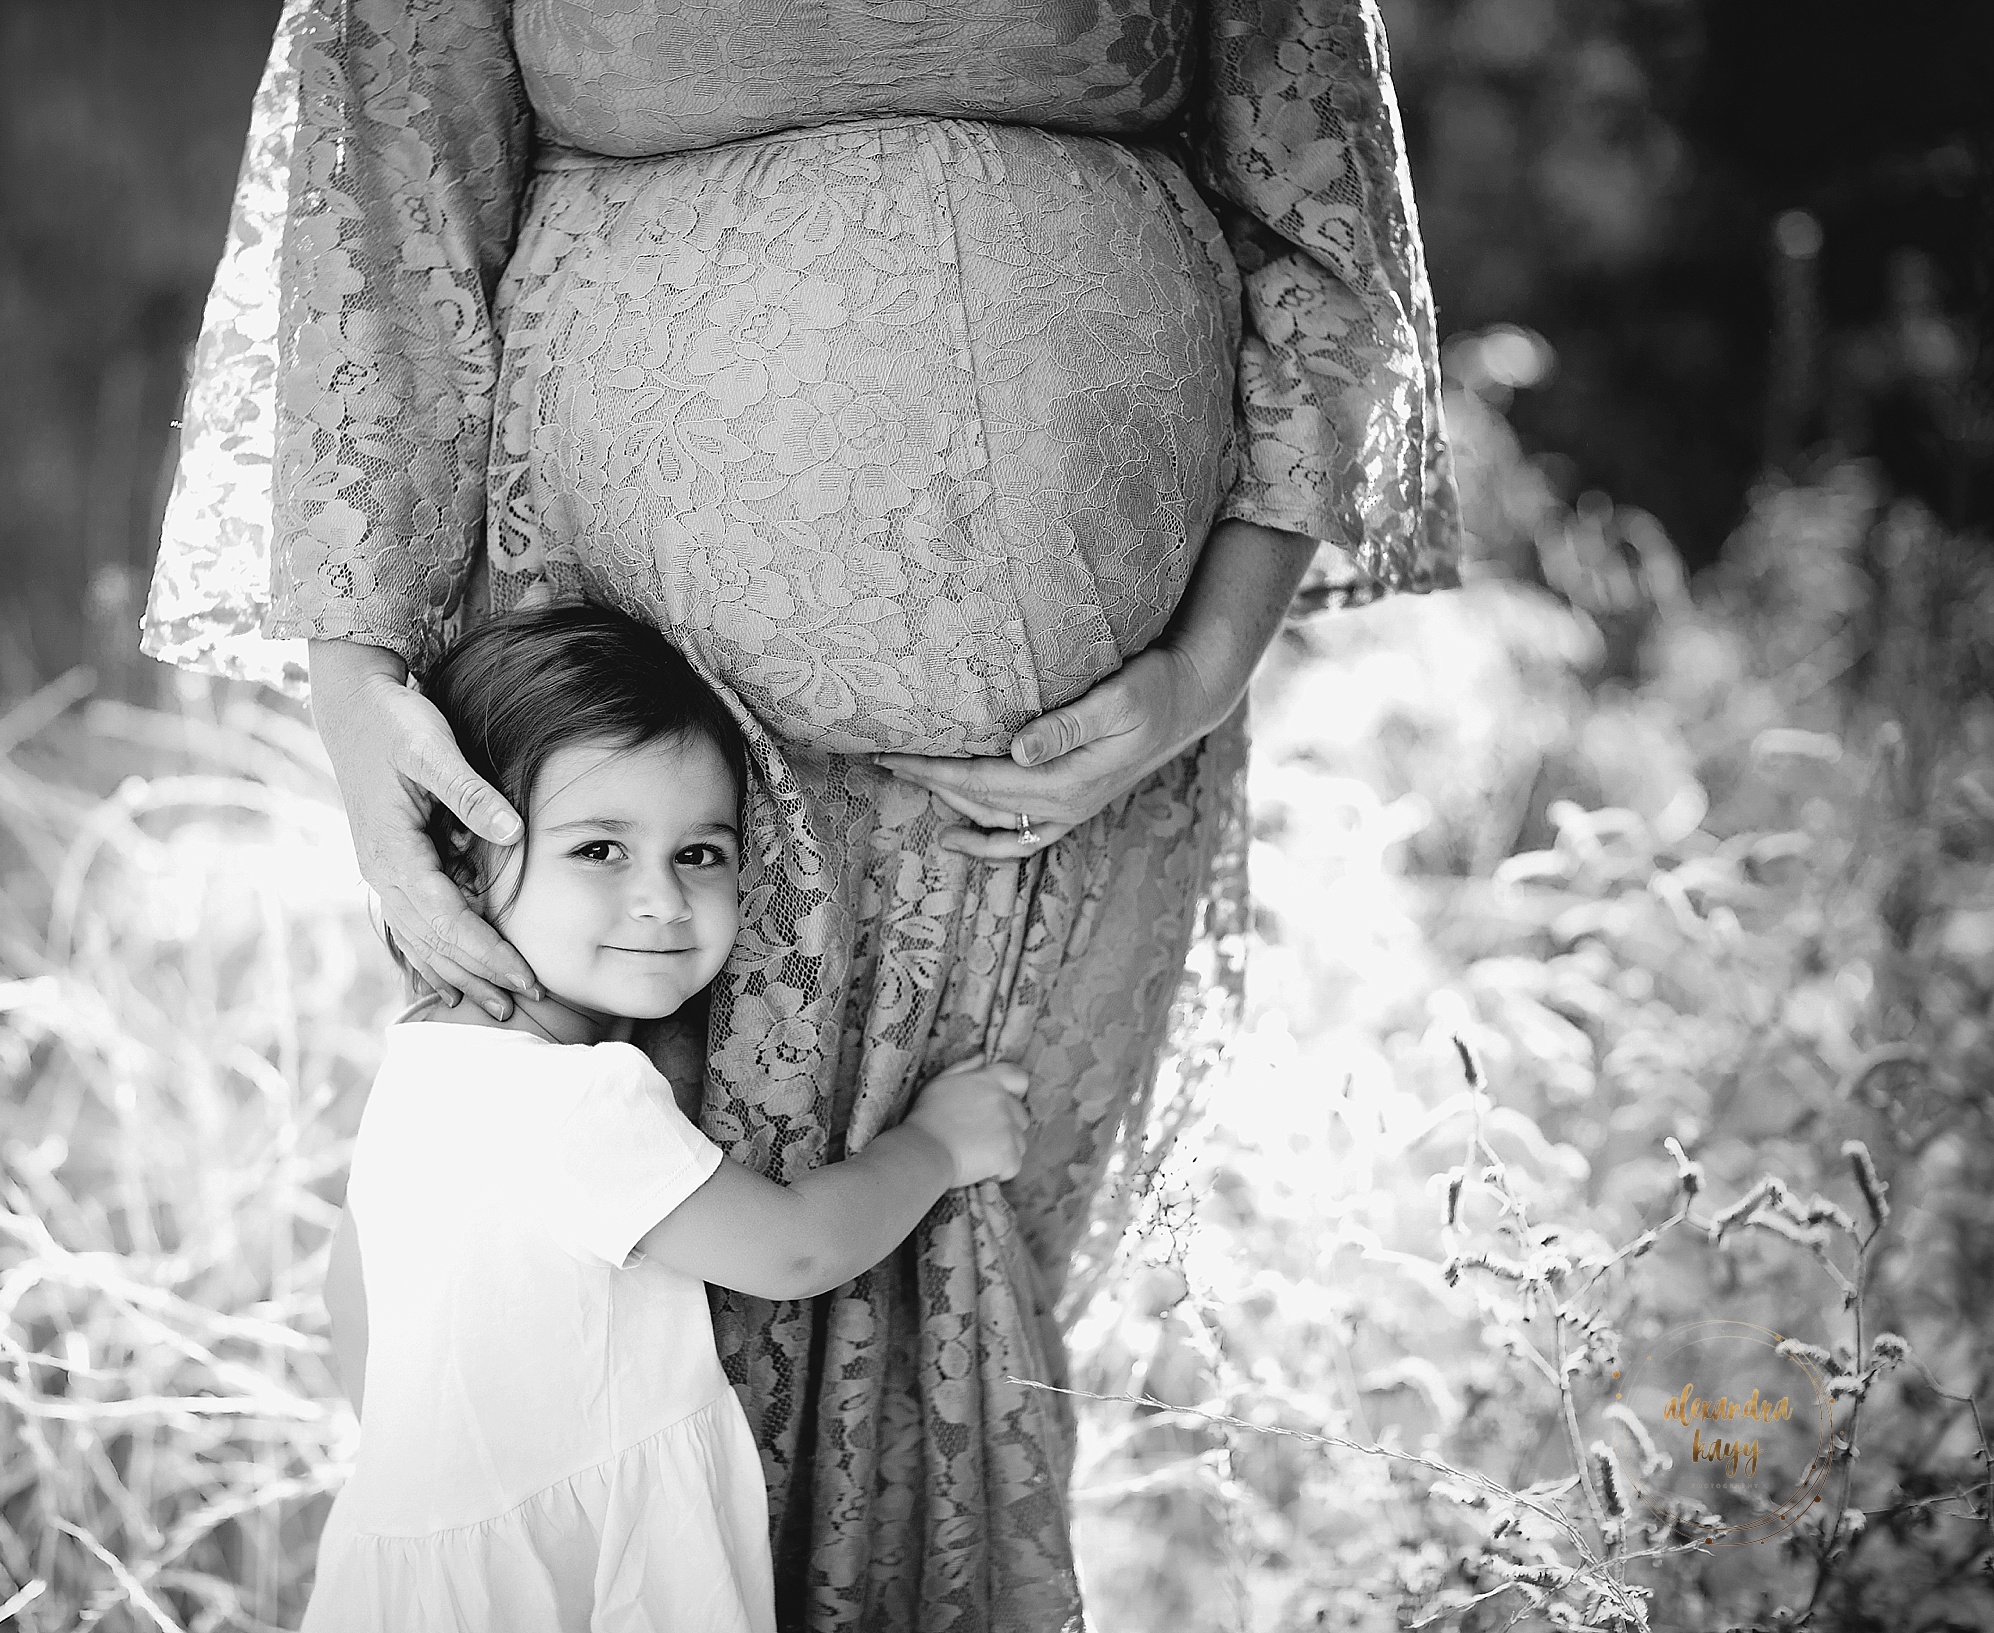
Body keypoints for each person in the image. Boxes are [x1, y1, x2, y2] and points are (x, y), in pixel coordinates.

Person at [144, 2, 1460, 1625]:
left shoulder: (442, 1097)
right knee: (724, 1315)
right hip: (625, 683)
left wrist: (1205, 664)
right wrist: (356, 690)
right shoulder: (556, 1022)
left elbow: (1326, 204)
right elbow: (383, 179)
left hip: (1053, 806)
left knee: (966, 1333)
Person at [306, 602, 1033, 1632]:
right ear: (460, 863)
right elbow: (788, 1252)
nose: (659, 898)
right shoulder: (578, 1098)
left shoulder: (423, 1064)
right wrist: (937, 1143)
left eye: (699, 853)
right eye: (599, 849)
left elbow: (350, 1305)